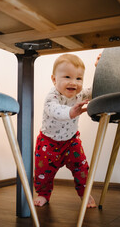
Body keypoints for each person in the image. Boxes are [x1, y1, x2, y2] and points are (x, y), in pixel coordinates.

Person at [33, 53, 96, 208]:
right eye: (67, 77)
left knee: (82, 169)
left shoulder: (80, 94)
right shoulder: (52, 97)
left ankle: (85, 194)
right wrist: (70, 113)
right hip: (48, 142)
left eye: (79, 78)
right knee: (43, 172)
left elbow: (97, 90)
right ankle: (43, 194)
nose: (73, 83)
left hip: (71, 141)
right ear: (54, 79)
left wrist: (100, 68)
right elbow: (55, 110)